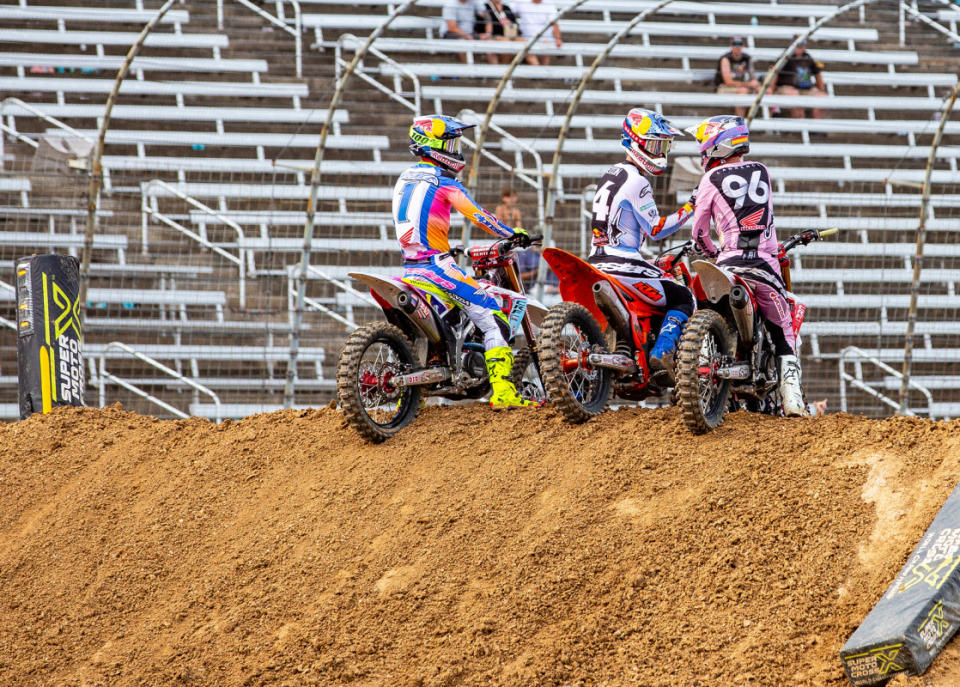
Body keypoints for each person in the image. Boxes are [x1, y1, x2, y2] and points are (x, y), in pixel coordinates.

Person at [394, 114, 537, 409]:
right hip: (436, 267)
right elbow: (479, 216)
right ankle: (503, 393)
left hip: (410, 267)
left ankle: (412, 393)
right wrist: (514, 233)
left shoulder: (405, 179)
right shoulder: (444, 182)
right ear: (433, 146)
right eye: (450, 143)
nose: (455, 150)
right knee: (492, 316)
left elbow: (419, 224)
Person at [686, 115, 806, 416]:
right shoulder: (762, 171)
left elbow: (698, 233)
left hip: (728, 266)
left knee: (702, 308)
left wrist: (713, 252)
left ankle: (697, 377)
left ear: (717, 145)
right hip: (764, 269)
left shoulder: (709, 180)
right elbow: (766, 221)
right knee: (785, 332)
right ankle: (793, 401)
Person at [588, 108, 697, 385]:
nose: (659, 152)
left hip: (595, 261)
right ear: (633, 142)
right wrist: (691, 207)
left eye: (662, 145)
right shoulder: (638, 181)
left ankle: (632, 349)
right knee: (683, 296)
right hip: (623, 263)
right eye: (653, 145)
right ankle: (661, 353)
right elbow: (657, 229)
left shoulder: (611, 173)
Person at [771, 40, 826, 119]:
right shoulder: (785, 57)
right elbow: (774, 72)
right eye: (797, 45)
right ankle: (799, 128)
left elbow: (817, 73)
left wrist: (821, 90)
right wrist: (770, 91)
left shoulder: (807, 57)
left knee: (822, 97)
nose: (799, 47)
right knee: (794, 95)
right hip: (788, 87)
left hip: (807, 88)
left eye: (801, 45)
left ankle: (817, 128)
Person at [714, 36, 762, 117]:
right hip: (724, 87)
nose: (737, 46)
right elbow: (728, 82)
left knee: (764, 91)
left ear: (743, 46)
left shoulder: (747, 58)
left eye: (739, 44)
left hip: (743, 86)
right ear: (731, 46)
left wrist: (755, 85)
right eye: (735, 44)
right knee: (743, 91)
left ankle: (767, 123)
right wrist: (749, 84)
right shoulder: (726, 59)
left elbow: (752, 77)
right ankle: (740, 125)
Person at [514, 0, 562, 66]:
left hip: (545, 38)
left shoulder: (549, 4)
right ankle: (539, 71)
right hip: (526, 38)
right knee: (524, 45)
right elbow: (507, 10)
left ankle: (542, 71)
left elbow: (554, 23)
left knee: (546, 45)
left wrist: (558, 38)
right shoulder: (521, 2)